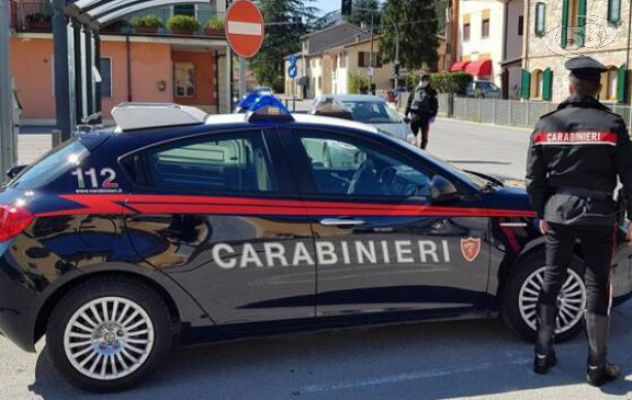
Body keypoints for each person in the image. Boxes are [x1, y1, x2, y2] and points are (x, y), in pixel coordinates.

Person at [526, 55, 632, 386]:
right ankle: (596, 367)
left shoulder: (546, 125)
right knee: (597, 284)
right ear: (598, 88)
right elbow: (630, 177)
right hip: (600, 217)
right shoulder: (612, 124)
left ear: (570, 86)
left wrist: (541, 211)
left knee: (552, 280)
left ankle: (542, 356)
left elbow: (533, 178)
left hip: (557, 213)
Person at [405, 74, 438, 150]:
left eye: (424, 80)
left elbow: (409, 102)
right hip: (423, 116)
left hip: (417, 115)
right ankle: (418, 151)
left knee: (417, 136)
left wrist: (406, 114)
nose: (423, 82)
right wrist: (433, 115)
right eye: (422, 80)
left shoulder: (415, 89)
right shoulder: (432, 91)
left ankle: (416, 151)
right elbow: (435, 105)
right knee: (420, 136)